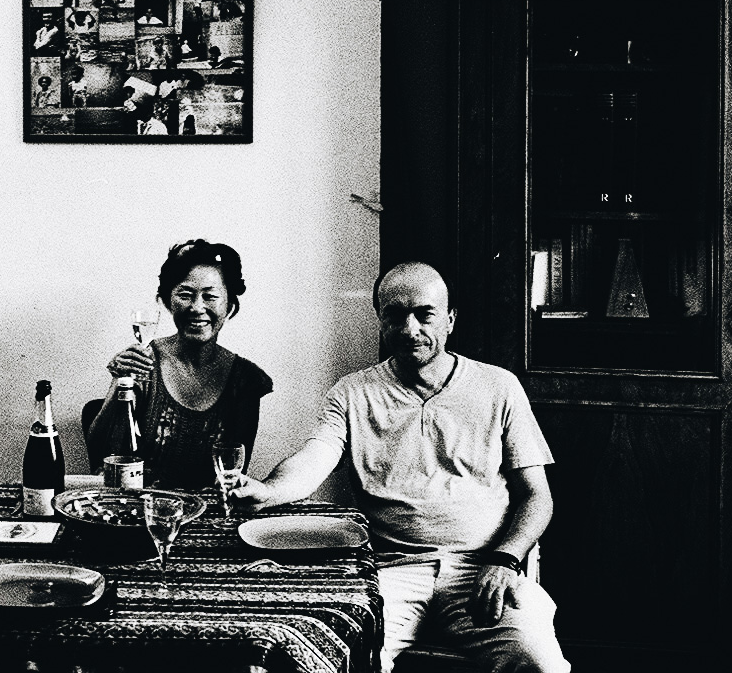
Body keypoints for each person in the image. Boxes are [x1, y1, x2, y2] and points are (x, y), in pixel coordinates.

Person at [229, 262, 569, 673]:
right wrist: (269, 491)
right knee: (327, 657)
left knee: (538, 661)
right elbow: (313, 458)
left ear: (450, 319)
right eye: (394, 315)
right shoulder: (352, 393)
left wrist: (506, 560)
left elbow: (537, 496)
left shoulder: (499, 386)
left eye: (424, 314)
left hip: (483, 569)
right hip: (388, 572)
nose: (410, 329)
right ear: (380, 320)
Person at [91, 240, 273, 489]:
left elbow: (233, 472)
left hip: (208, 508)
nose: (197, 308)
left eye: (210, 296)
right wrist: (119, 384)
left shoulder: (246, 380)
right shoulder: (145, 363)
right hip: (139, 505)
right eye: (185, 295)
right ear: (167, 302)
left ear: (230, 306)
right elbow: (99, 455)